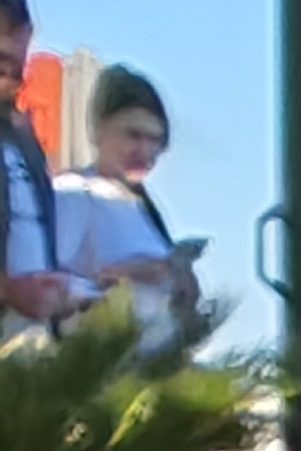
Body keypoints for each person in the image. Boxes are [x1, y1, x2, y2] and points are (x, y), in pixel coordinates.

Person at [53, 66, 199, 355]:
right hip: (96, 362)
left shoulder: (140, 208)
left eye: (155, 141)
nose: (145, 150)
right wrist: (126, 277)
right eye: (134, 135)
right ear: (99, 129)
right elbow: (48, 282)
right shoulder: (74, 192)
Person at [0, 0, 78, 332]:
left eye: (14, 31)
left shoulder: (24, 138)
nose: (6, 46)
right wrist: (10, 289)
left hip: (28, 344)